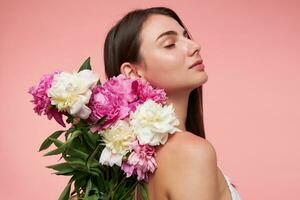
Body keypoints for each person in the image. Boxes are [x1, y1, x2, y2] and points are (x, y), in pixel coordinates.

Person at [104, 6, 242, 200]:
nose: (194, 46)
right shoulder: (190, 153)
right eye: (169, 44)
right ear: (134, 73)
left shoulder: (118, 170)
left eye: (186, 36)